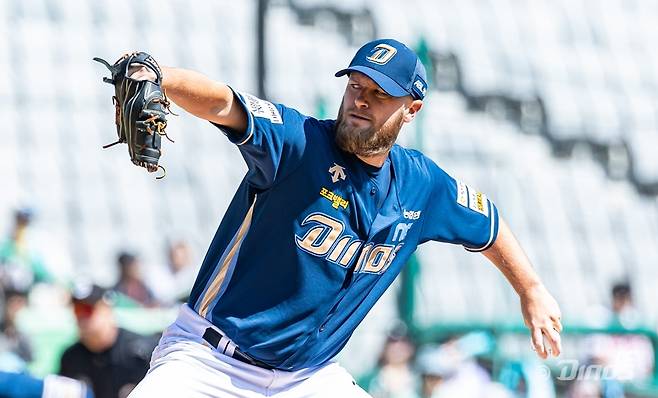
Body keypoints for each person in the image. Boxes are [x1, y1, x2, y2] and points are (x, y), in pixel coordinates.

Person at [123, 38, 562, 397]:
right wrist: (159, 77)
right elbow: (225, 104)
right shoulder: (298, 144)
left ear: (412, 109)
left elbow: (487, 223)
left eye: (379, 94)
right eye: (356, 86)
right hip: (211, 360)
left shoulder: (422, 185)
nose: (361, 101)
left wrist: (532, 289)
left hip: (307, 378)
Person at [59, 284, 158, 398]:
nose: (82, 317)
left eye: (87, 310)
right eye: (77, 310)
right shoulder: (71, 358)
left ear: (106, 309)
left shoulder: (141, 352)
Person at [0, 208, 52, 293]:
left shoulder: (34, 251)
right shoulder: (5, 248)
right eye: (20, 222)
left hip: (28, 293)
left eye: (25, 223)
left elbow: (43, 274)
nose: (22, 228)